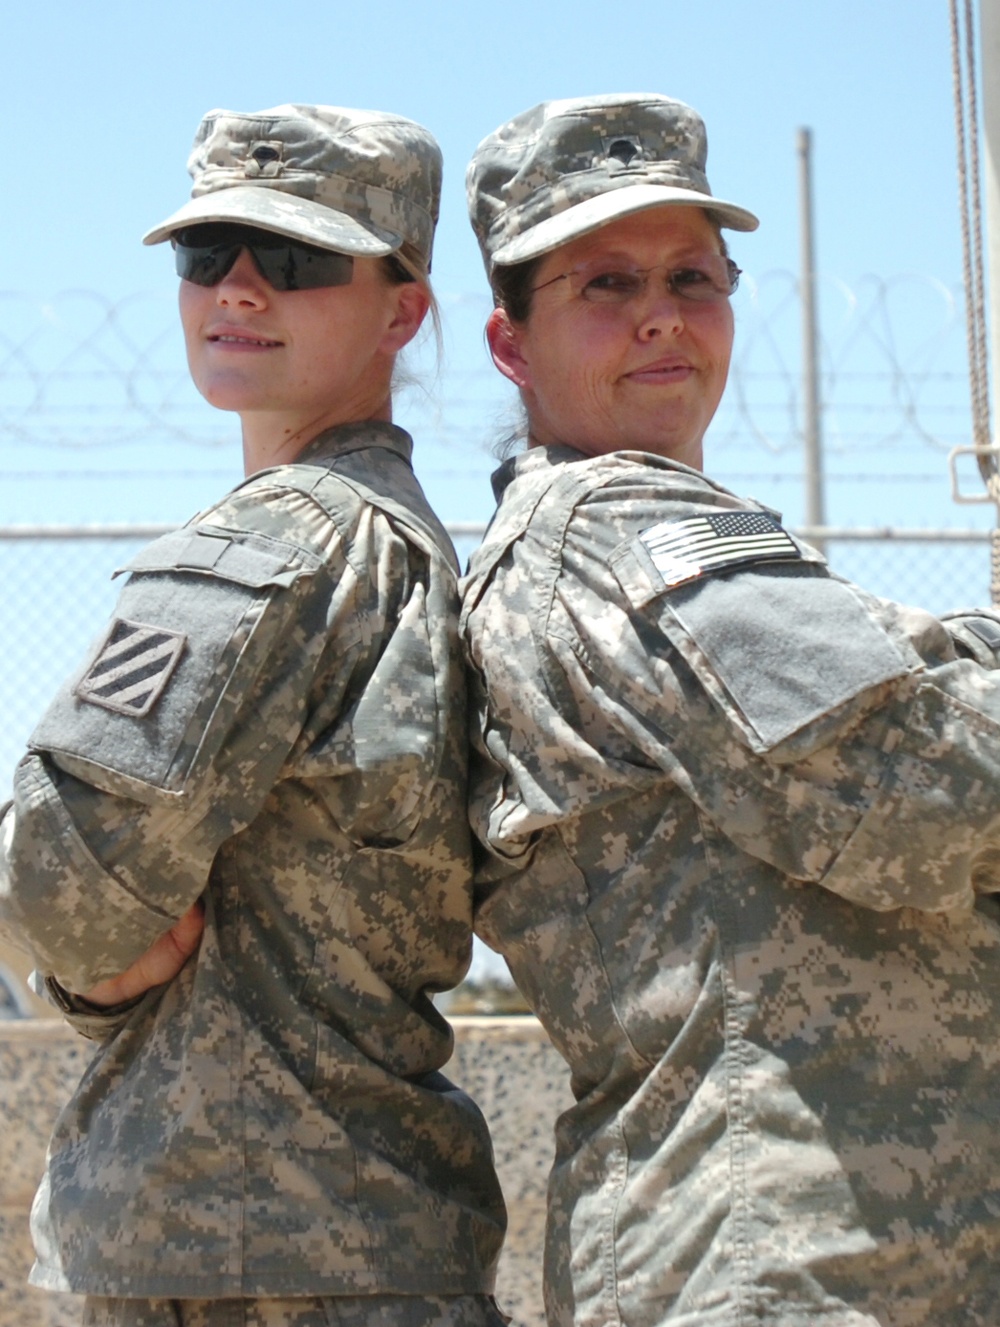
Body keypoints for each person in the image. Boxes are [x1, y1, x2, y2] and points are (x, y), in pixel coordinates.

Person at [460, 91, 1000, 1327]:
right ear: (509, 343)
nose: (662, 314)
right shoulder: (624, 531)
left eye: (693, 276)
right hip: (770, 1256)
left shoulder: (654, 537)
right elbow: (912, 791)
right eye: (604, 284)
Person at [0, 103, 506, 1327]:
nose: (236, 289)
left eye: (293, 261)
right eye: (204, 255)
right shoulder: (409, 545)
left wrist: (89, 963)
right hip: (364, 1226)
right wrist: (101, 960)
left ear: (402, 311)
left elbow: (51, 891)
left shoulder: (273, 545)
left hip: (222, 1241)